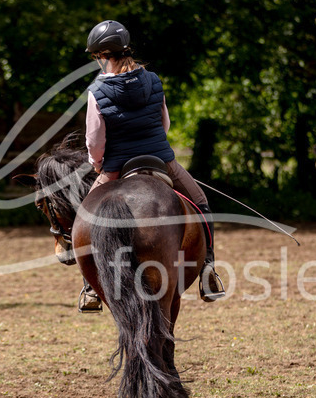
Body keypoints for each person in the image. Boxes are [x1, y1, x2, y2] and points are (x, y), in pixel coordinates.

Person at [77, 20, 224, 313]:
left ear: (104, 55)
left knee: (85, 215)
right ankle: (209, 269)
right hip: (161, 159)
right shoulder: (153, 80)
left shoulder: (96, 92)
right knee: (201, 202)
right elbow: (164, 123)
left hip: (117, 165)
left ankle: (89, 287)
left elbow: (94, 141)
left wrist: (97, 165)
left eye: (97, 57)